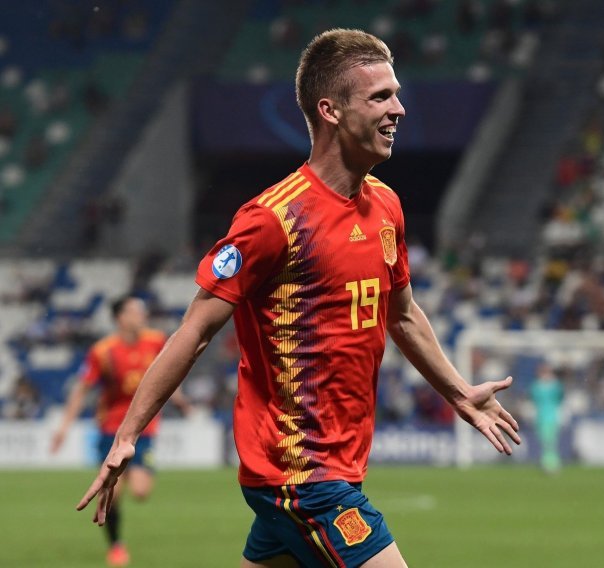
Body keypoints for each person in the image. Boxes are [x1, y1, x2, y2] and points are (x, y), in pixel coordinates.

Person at [77, 28, 521, 568]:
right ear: (330, 110)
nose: (398, 109)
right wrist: (127, 434)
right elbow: (194, 332)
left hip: (333, 466)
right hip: (300, 473)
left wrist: (458, 392)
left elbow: (402, 315)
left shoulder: (386, 205)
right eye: (380, 97)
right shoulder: (273, 219)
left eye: (397, 95)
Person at [53, 295, 190, 567]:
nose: (141, 315)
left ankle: (121, 485)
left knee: (141, 491)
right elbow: (81, 390)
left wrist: (180, 400)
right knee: (113, 494)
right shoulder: (103, 351)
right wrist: (64, 427)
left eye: (142, 310)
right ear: (120, 318)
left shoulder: (156, 341)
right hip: (111, 429)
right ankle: (116, 546)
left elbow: (166, 374)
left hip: (145, 428)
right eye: (135, 311)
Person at [530, 362, 563, 473]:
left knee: (551, 442)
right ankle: (548, 463)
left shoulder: (555, 385)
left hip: (551, 417)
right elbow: (534, 398)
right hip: (540, 417)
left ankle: (551, 464)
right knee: (545, 442)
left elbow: (560, 397)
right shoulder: (536, 386)